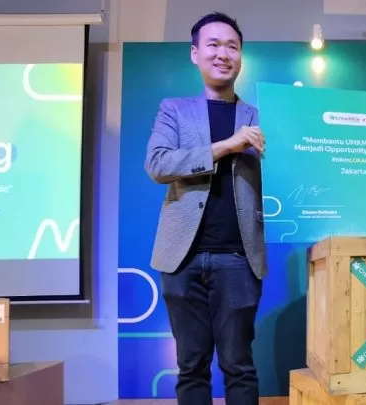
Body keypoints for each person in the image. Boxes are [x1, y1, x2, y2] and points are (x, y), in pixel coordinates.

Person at [144, 12, 266, 405]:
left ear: (241, 56)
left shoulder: (261, 115)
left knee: (239, 366)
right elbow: (158, 164)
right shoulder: (174, 110)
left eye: (232, 46)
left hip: (238, 258)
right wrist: (226, 146)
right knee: (191, 367)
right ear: (195, 53)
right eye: (213, 45)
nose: (223, 54)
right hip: (182, 258)